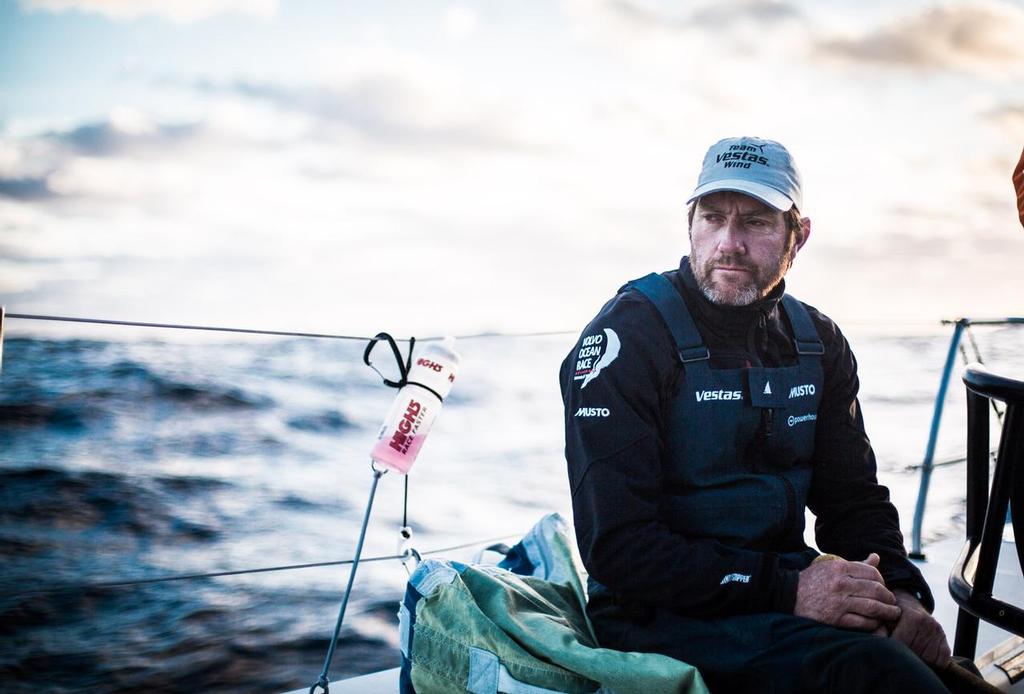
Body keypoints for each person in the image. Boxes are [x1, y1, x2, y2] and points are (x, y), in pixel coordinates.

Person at [560, 136, 959, 693]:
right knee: (877, 675)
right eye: (713, 217)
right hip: (658, 614)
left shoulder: (817, 341)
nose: (729, 242)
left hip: (779, 591)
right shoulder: (627, 338)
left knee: (937, 671)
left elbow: (853, 501)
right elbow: (618, 549)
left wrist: (901, 595)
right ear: (690, 225)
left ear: (799, 236)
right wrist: (790, 590)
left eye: (756, 221)